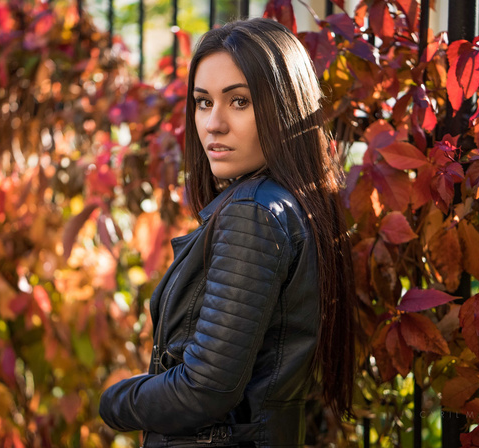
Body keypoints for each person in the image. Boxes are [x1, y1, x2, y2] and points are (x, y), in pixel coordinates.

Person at [99, 17, 357, 447]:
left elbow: (207, 387)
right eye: (203, 103)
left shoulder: (254, 214)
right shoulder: (288, 203)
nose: (213, 124)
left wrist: (115, 402)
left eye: (239, 102)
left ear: (284, 109)